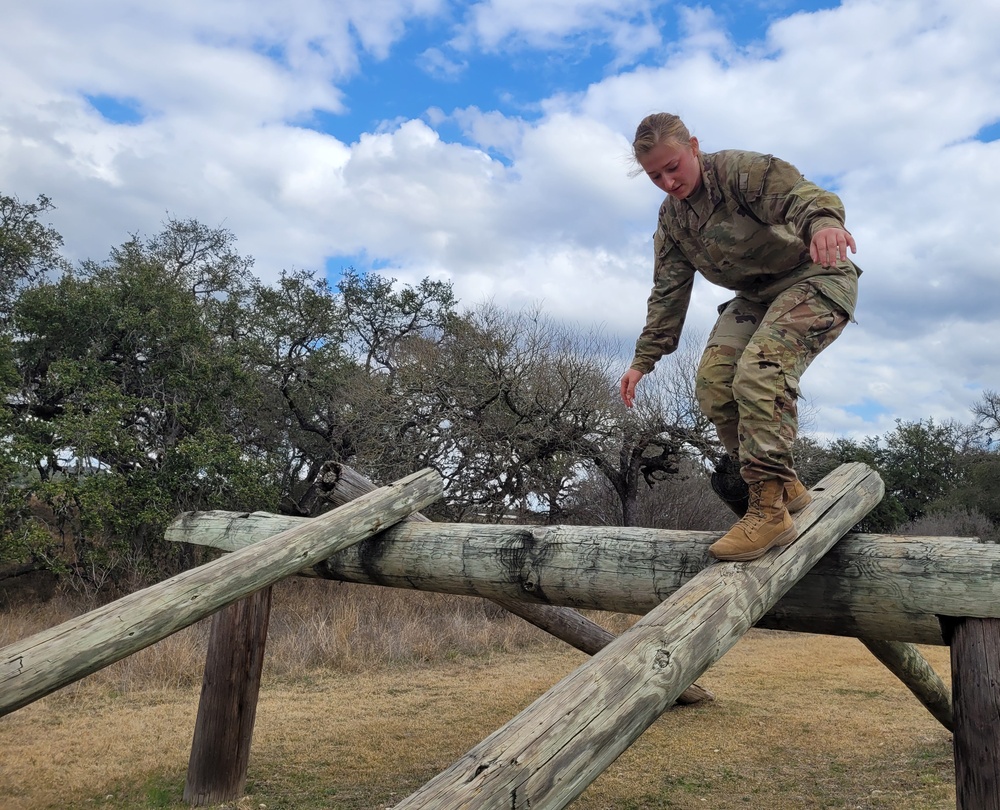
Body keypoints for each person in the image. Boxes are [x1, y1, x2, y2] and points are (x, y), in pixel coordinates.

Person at [619, 112, 859, 562]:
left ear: (693, 146)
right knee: (714, 383)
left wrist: (825, 223)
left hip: (816, 276)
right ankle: (784, 488)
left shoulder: (739, 172)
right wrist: (642, 360)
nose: (668, 181)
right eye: (655, 176)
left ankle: (768, 510)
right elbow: (668, 292)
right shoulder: (673, 220)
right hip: (755, 296)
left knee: (759, 372)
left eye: (673, 167)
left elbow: (803, 197)